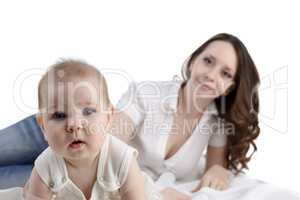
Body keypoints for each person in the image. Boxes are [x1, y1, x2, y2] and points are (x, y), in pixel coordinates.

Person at [2, 33, 299, 199]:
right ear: (192, 61)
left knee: (14, 183)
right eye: (208, 61)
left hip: (79, 168)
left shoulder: (215, 123)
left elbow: (216, 170)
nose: (211, 74)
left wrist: (216, 173)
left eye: (225, 73)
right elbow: (109, 142)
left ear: (230, 87)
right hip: (68, 128)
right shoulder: (147, 94)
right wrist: (153, 190)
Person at [1, 60, 161, 200]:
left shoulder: (122, 159)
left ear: (109, 117)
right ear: (43, 126)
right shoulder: (45, 165)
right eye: (59, 115)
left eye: (88, 111)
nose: (74, 124)